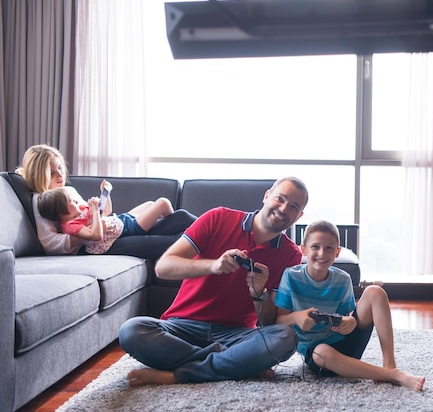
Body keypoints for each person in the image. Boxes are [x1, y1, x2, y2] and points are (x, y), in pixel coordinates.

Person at [118, 176, 309, 386]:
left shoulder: (291, 255)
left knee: (285, 337)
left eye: (293, 206)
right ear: (266, 196)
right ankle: (234, 361)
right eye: (280, 198)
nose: (283, 208)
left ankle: (180, 375)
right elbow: (163, 267)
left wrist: (259, 293)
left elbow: (268, 323)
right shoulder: (218, 218)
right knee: (131, 331)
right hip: (182, 327)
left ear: (298, 216)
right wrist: (214, 266)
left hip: (236, 334)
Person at [274, 220, 426, 391]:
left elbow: (348, 316)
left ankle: (389, 365)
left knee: (375, 292)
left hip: (345, 342)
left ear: (337, 252)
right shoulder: (291, 276)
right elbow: (278, 321)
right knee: (321, 352)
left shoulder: (343, 279)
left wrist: (350, 322)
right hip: (317, 354)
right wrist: (296, 317)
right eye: (315, 247)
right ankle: (393, 375)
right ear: (304, 250)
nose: (322, 253)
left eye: (329, 248)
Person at [15, 144, 196, 260]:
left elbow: (97, 213)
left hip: (113, 230)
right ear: (40, 174)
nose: (60, 174)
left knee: (179, 217)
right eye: (52, 172)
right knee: (172, 240)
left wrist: (101, 208)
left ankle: (217, 229)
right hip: (102, 246)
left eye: (60, 168)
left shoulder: (67, 190)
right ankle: (212, 239)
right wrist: (87, 233)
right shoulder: (42, 201)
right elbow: (50, 243)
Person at [37, 184, 177, 255]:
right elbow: (96, 235)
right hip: (129, 230)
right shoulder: (71, 225)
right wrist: (95, 212)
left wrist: (105, 193)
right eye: (71, 201)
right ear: (61, 213)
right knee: (162, 203)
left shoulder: (80, 210)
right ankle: (172, 222)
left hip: (121, 219)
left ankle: (166, 223)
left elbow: (107, 211)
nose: (75, 200)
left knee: (151, 204)